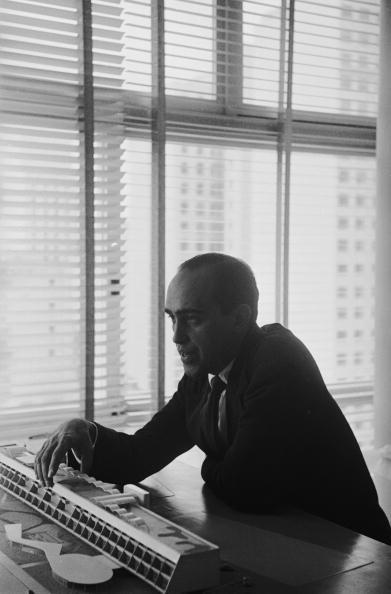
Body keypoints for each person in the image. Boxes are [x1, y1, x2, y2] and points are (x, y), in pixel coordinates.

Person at [35, 253, 391, 545]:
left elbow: (245, 489)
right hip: (279, 539)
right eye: (172, 318)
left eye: (192, 319)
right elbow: (140, 454)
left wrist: (208, 464)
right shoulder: (202, 377)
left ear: (240, 318)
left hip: (350, 549)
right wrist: (84, 430)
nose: (176, 336)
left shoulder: (278, 359)